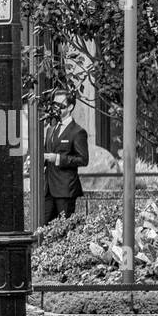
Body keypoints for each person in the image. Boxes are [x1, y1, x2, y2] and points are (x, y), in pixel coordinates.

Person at [42, 88, 89, 223]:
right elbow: (46, 152)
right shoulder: (51, 129)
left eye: (60, 105)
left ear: (70, 107)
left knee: (64, 227)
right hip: (48, 188)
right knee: (43, 226)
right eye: (54, 104)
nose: (55, 108)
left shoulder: (78, 132)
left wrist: (57, 158)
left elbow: (83, 159)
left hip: (65, 189)